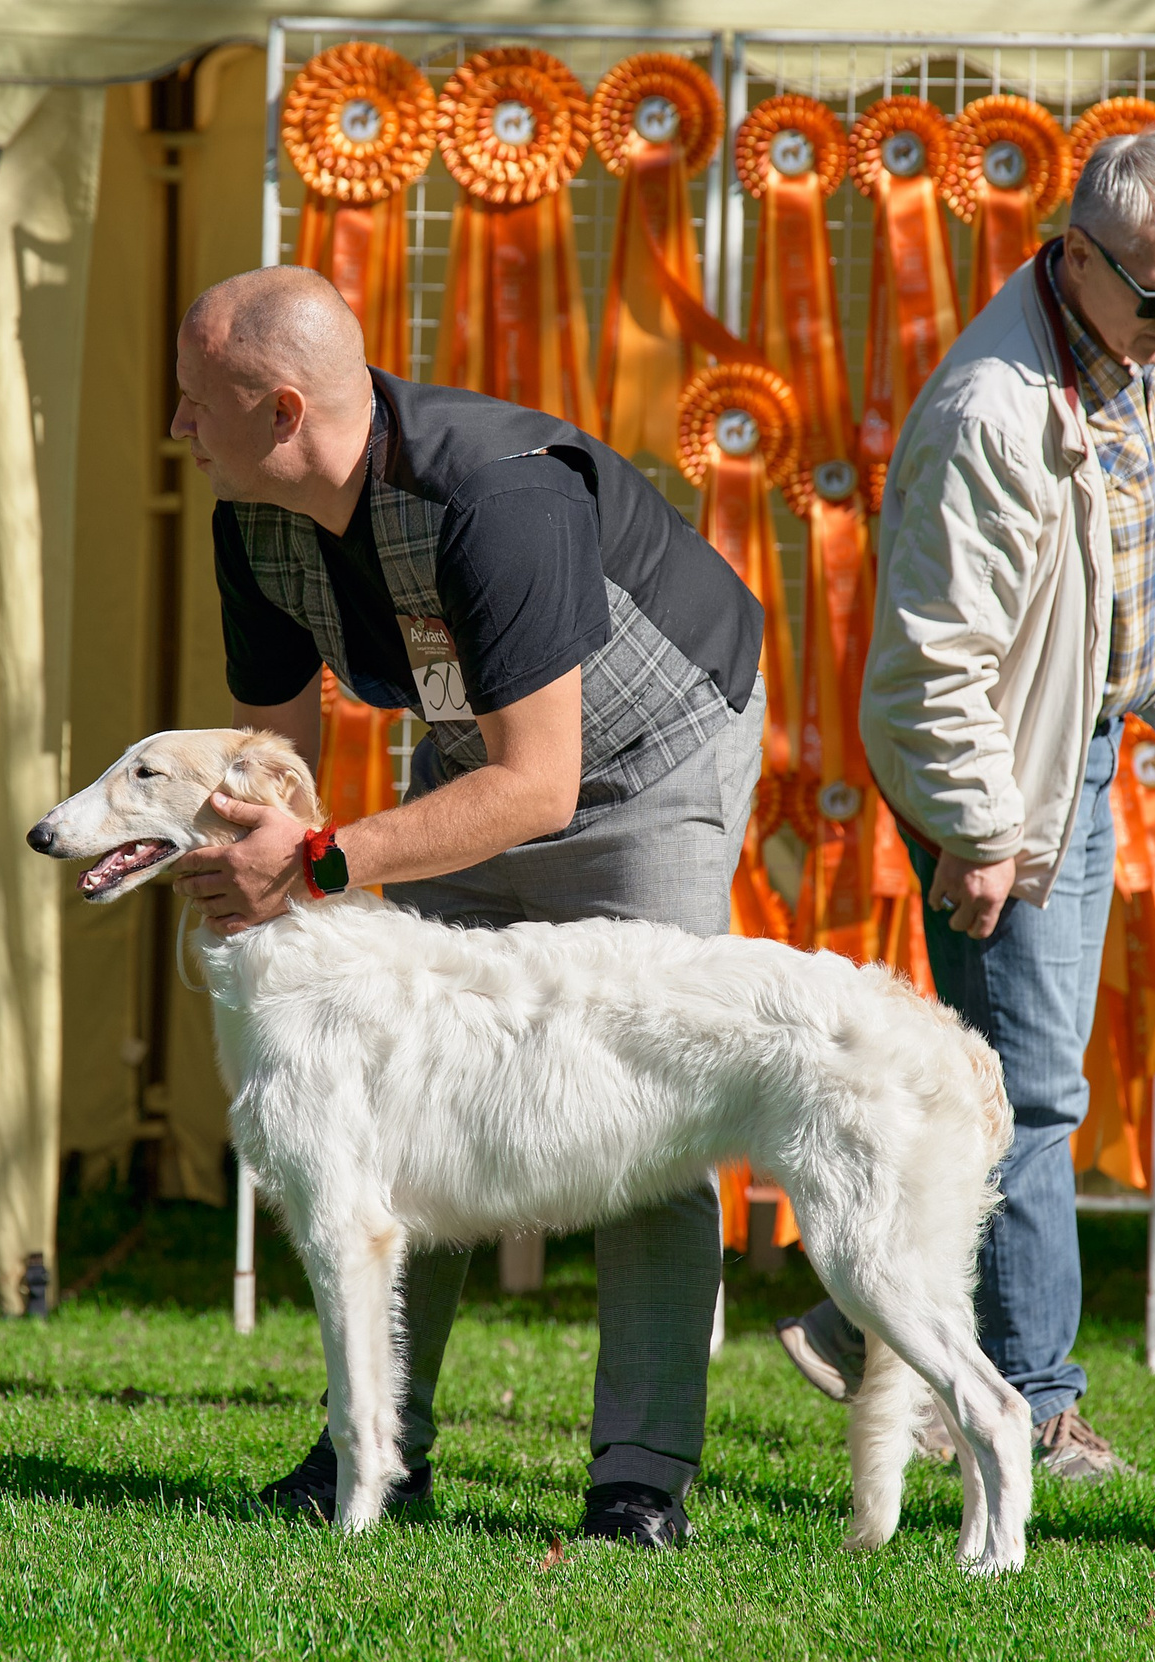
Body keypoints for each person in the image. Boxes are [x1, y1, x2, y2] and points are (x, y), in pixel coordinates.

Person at [166, 265, 765, 1547]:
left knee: (645, 1108)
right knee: (406, 1082)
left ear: (282, 412)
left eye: (193, 402)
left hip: (648, 763)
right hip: (479, 760)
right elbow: (274, 767)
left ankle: (639, 1483)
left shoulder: (497, 498)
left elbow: (541, 786)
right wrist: (244, 854)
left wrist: (320, 864)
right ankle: (377, 1455)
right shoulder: (249, 514)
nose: (175, 428)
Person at [775, 131, 1155, 1481]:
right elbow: (929, 670)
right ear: (1076, 257)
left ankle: (854, 1321)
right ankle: (1033, 1403)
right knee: (1027, 1100)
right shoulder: (990, 414)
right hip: (998, 773)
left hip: (1070, 747)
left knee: (1013, 1091)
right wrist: (982, 834)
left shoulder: (1134, 334)